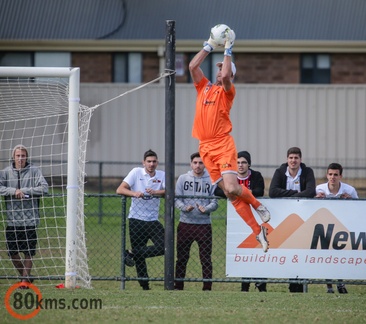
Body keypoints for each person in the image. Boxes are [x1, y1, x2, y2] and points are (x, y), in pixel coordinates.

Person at [189, 25, 270, 254]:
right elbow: (193, 66)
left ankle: (257, 205)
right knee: (228, 192)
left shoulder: (227, 91)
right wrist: (209, 45)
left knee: (234, 187)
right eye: (216, 69)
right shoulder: (203, 87)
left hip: (222, 144)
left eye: (222, 70)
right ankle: (258, 231)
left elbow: (225, 75)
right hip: (205, 148)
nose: (218, 72)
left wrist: (227, 48)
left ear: (231, 75)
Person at [215, 151, 267, 292]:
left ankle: (261, 284)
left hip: (253, 220)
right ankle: (245, 286)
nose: (240, 165)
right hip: (236, 222)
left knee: (258, 253)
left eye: (243, 162)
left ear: (249, 164)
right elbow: (217, 192)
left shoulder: (256, 176)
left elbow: (260, 191)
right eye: (237, 162)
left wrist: (242, 191)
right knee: (243, 254)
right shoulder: (229, 176)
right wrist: (237, 192)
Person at [0, 144, 48, 289]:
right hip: (13, 220)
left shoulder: (34, 171)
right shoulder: (5, 172)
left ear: (26, 157)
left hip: (30, 219)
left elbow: (44, 188)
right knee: (13, 253)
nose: (20, 158)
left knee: (28, 252)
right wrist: (13, 191)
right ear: (13, 157)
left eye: (23, 155)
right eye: (18, 155)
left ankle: (25, 282)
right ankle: (26, 277)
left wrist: (25, 191)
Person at [116, 149, 165, 291]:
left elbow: (170, 191)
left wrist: (157, 192)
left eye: (154, 161)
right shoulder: (136, 172)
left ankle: (130, 252)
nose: (151, 164)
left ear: (157, 162)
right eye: (148, 161)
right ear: (143, 162)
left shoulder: (162, 175)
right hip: (136, 219)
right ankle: (145, 286)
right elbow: (120, 189)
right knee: (140, 258)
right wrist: (134, 193)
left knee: (164, 246)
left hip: (152, 220)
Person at [269, 146, 316, 292]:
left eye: (296, 158)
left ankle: (301, 283)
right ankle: (292, 283)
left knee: (302, 250)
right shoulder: (280, 172)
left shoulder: (307, 172)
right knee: (289, 250)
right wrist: (296, 193)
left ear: (300, 159)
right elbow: (272, 191)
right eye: (291, 158)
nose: (293, 161)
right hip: (285, 218)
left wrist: (289, 196)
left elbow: (310, 191)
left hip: (304, 217)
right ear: (287, 159)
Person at [174, 152, 218, 291]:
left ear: (205, 164)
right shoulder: (182, 178)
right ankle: (178, 286)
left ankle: (207, 287)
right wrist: (184, 207)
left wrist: (207, 209)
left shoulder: (211, 180)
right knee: (181, 258)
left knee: (205, 259)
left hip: (204, 225)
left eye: (200, 163)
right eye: (195, 163)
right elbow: (176, 199)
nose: (197, 165)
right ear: (190, 164)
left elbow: (215, 201)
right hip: (185, 224)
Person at [315, 162, 358, 294]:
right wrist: (315, 200)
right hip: (323, 227)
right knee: (326, 257)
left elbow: (359, 209)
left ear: (340, 176)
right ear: (326, 175)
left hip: (342, 228)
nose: (332, 177)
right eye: (330, 174)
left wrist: (351, 201)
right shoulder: (318, 189)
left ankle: (340, 283)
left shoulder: (349, 190)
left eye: (335, 174)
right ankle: (329, 286)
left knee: (339, 256)